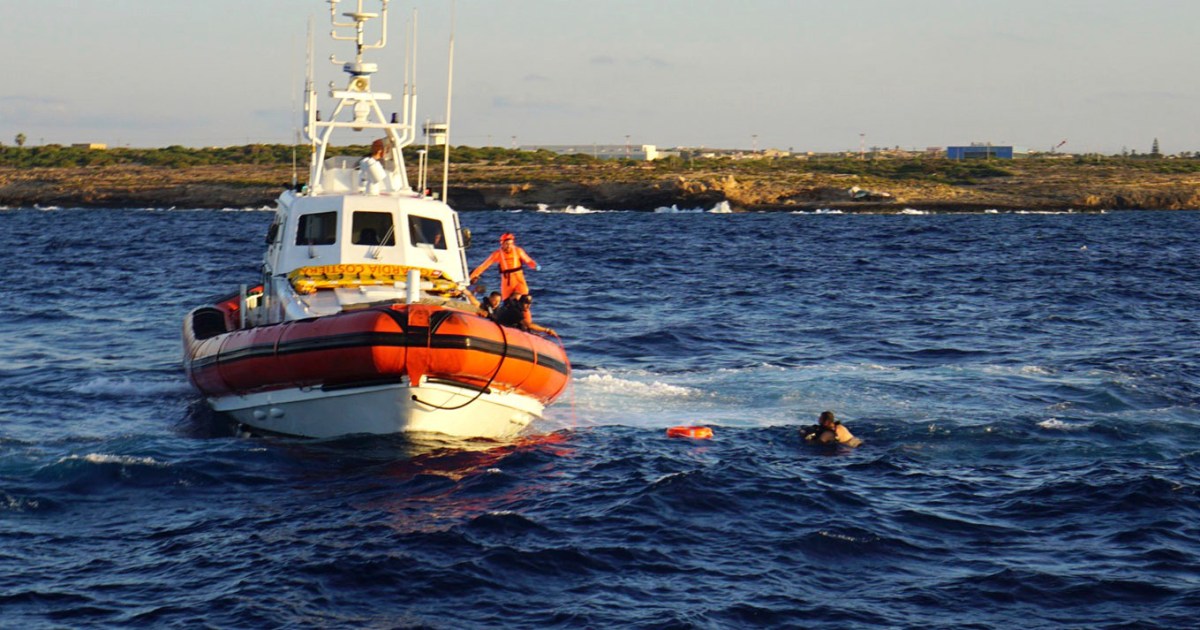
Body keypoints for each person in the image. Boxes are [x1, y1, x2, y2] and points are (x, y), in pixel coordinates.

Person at [469, 233, 540, 301]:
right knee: (507, 301)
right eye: (507, 244)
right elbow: (484, 266)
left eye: (511, 244)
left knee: (525, 298)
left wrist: (535, 265)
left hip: (519, 279)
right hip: (507, 280)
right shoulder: (497, 254)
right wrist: (472, 276)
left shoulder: (518, 251)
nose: (509, 246)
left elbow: (528, 260)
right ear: (502, 243)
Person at [491, 294, 557, 336]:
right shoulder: (515, 311)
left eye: (530, 303)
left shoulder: (511, 307)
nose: (528, 306)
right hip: (500, 332)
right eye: (526, 303)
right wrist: (547, 330)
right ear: (520, 303)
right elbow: (529, 325)